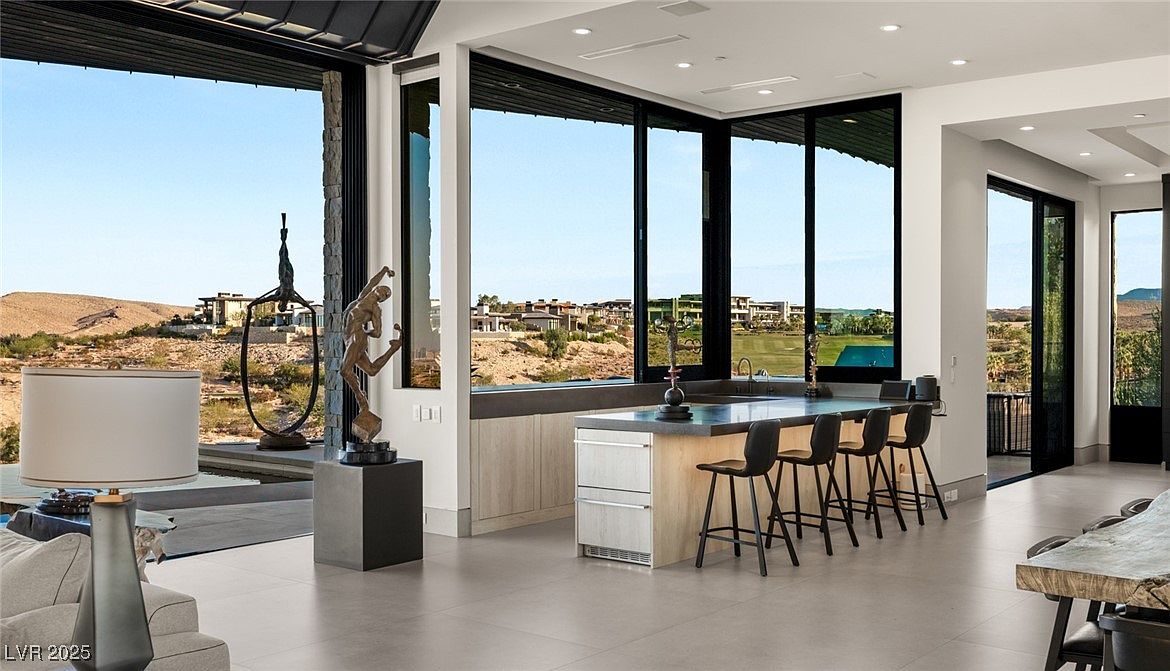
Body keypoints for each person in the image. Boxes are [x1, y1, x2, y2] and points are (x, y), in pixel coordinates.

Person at [341, 265, 403, 442]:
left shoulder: (375, 309)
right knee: (371, 370)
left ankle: (362, 401)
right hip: (350, 339)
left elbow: (378, 333)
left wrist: (365, 333)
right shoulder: (364, 295)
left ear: (383, 299)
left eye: (386, 293)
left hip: (357, 338)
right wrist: (384, 271)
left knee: (344, 371)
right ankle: (394, 348)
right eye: (384, 288)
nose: (384, 290)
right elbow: (372, 281)